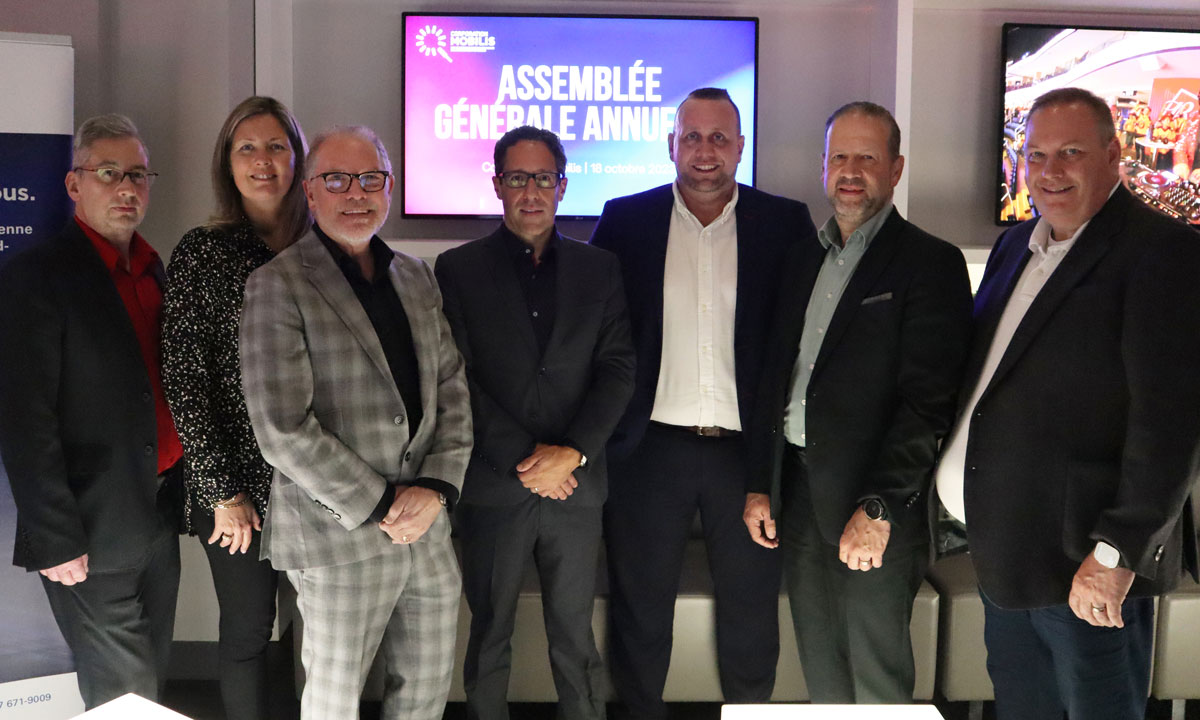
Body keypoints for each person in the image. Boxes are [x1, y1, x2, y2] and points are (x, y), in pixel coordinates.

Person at [933, 87, 1200, 719]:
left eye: (1071, 152)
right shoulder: (1015, 246)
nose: (1049, 171)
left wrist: (1115, 553)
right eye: (1036, 155)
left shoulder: (1161, 252)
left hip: (1086, 566)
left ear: (1113, 155)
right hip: (1007, 554)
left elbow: (1169, 427)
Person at [590, 87, 817, 718]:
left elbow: (802, 338)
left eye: (719, 137)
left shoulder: (785, 223)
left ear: (741, 147)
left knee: (751, 606)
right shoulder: (625, 220)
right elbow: (596, 333)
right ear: (671, 145)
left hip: (749, 457)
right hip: (648, 450)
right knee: (640, 607)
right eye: (692, 136)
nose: (705, 150)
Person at [239, 125, 471, 720]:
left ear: (389, 187)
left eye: (370, 178)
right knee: (333, 704)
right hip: (337, 535)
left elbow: (451, 387)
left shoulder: (416, 276)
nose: (356, 193)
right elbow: (281, 428)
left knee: (424, 695)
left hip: (427, 529)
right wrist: (383, 504)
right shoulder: (277, 284)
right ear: (310, 193)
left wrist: (435, 488)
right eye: (337, 180)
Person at [743, 102, 973, 703]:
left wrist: (878, 507)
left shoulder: (931, 262)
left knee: (875, 679)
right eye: (839, 156)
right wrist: (761, 483)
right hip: (798, 498)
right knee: (821, 668)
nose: (851, 170)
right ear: (824, 167)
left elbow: (928, 404)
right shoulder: (801, 258)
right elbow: (777, 380)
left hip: (874, 507)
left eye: (867, 157)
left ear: (895, 169)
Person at [435, 125, 634, 720]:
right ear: (497, 184)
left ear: (563, 185)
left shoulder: (601, 268)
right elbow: (455, 376)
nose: (531, 191)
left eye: (543, 178)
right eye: (518, 178)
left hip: (576, 487)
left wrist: (572, 453)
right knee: (489, 636)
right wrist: (529, 460)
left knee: (575, 640)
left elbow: (618, 369)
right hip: (496, 485)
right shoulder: (457, 268)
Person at [0, 114, 183, 708]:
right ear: (74, 184)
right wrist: (54, 538)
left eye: (137, 174)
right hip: (88, 530)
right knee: (126, 693)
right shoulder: (36, 276)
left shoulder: (154, 270)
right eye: (108, 173)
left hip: (158, 516)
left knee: (147, 688)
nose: (127, 187)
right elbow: (24, 420)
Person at [161, 96, 308, 720]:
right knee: (248, 629)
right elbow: (184, 379)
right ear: (228, 162)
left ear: (297, 158)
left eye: (276, 145)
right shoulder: (201, 252)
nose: (262, 160)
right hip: (234, 488)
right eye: (246, 147)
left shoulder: (326, 246)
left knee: (325, 632)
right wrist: (222, 490)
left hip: (319, 482)